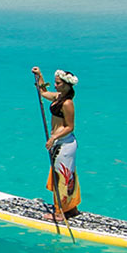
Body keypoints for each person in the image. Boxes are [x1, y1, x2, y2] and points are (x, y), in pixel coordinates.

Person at [32, 67, 81, 222]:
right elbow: (44, 93)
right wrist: (40, 76)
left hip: (64, 144)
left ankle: (60, 213)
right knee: (66, 177)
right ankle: (71, 209)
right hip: (59, 143)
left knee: (61, 178)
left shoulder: (67, 103)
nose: (55, 85)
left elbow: (70, 126)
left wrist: (53, 138)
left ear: (67, 85)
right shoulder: (59, 97)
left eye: (58, 83)